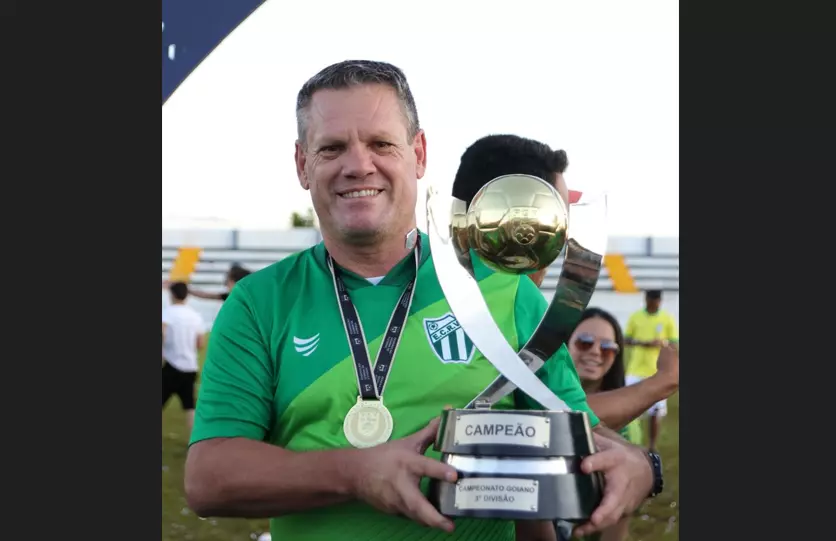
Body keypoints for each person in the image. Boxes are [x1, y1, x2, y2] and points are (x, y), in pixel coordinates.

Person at [184, 60, 658, 541]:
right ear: (303, 165)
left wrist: (639, 464)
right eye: (331, 148)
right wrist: (355, 473)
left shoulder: (507, 292)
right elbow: (209, 477)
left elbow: (580, 435)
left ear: (419, 152)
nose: (358, 165)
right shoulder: (258, 302)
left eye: (381, 144)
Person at [451, 134, 680, 433]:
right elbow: (576, 427)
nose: (562, 238)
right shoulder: (519, 298)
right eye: (558, 219)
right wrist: (665, 381)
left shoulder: (399, 277)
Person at [563, 307, 678, 541]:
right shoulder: (526, 394)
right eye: (584, 342)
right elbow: (556, 414)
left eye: (607, 348)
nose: (596, 352)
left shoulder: (629, 427)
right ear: (564, 344)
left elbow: (621, 515)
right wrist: (663, 381)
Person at [624, 290, 679, 452]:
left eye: (657, 301)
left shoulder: (667, 318)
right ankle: (631, 441)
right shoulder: (636, 317)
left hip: (657, 371)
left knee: (656, 412)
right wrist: (643, 343)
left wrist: (663, 344)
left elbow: (674, 344)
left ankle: (652, 445)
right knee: (629, 409)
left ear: (660, 301)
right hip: (635, 370)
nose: (654, 303)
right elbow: (626, 339)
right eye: (651, 300)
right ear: (646, 300)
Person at [162, 281, 207, 438]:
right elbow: (200, 343)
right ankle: (194, 441)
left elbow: (162, 333)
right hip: (190, 367)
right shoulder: (195, 316)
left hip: (172, 365)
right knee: (190, 406)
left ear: (172, 294)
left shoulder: (168, 313)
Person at [163, 264, 252, 302]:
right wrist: (181, 286)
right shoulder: (230, 296)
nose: (226, 284)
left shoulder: (250, 299)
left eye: (228, 281)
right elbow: (205, 295)